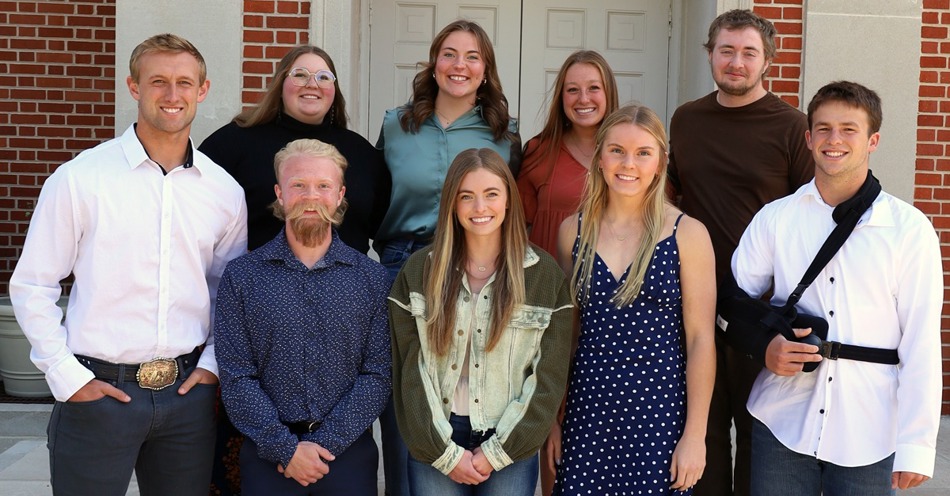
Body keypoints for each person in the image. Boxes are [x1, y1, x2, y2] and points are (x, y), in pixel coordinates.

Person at [8, 34, 248, 495]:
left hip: (187, 398)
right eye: (158, 81)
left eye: (184, 82)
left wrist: (212, 367)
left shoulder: (223, 191)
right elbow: (33, 284)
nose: (172, 95)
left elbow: (228, 293)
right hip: (97, 392)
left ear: (203, 89)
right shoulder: (80, 179)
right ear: (134, 87)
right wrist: (65, 375)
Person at [731, 81, 941, 496]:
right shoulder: (777, 218)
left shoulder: (909, 229)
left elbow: (921, 340)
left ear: (873, 140)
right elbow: (731, 302)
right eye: (824, 129)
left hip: (872, 427)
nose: (834, 140)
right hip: (782, 419)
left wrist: (917, 444)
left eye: (849, 129)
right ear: (808, 139)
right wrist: (764, 344)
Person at [666, 10, 813, 495]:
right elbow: (673, 200)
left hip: (763, 309)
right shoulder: (687, 119)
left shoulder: (793, 127)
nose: (736, 62)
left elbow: (810, 217)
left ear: (768, 60)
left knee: (757, 433)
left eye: (749, 52)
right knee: (701, 429)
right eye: (726, 50)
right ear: (710, 53)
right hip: (694, 301)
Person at [374, 20, 521, 495]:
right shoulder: (396, 125)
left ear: (485, 70)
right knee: (405, 393)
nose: (460, 65)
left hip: (478, 269)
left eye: (472, 57)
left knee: (473, 388)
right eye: (450, 54)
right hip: (404, 265)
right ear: (434, 65)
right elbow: (374, 195)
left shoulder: (505, 133)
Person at [389, 148, 572, 496]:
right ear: (452, 205)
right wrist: (443, 452)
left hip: (510, 439)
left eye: (491, 195)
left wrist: (498, 451)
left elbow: (548, 377)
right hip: (436, 437)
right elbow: (410, 372)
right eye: (467, 197)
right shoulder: (417, 272)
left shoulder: (543, 276)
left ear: (508, 201)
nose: (480, 208)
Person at [214, 139, 391, 496]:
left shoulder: (372, 279)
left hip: (348, 456)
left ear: (340, 195)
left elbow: (378, 374)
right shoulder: (242, 277)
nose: (311, 196)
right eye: (298, 185)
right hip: (267, 455)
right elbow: (235, 375)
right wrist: (286, 450)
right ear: (280, 193)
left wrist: (324, 445)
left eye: (323, 186)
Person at [556, 104, 716, 495]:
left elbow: (700, 341)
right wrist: (552, 421)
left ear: (661, 162)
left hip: (658, 415)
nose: (629, 164)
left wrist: (696, 435)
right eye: (617, 151)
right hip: (588, 412)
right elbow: (566, 337)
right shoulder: (571, 232)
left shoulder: (687, 234)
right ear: (599, 158)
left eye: (643, 153)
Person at [200, 45, 390, 254]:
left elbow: (387, 229)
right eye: (300, 75)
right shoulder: (234, 143)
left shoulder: (362, 154)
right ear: (280, 85)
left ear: (334, 91)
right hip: (258, 284)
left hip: (349, 285)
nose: (312, 84)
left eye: (324, 77)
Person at [517, 50, 619, 258]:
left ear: (608, 92)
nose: (583, 99)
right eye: (573, 90)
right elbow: (515, 227)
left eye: (594, 88)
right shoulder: (539, 152)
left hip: (612, 285)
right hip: (549, 284)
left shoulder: (629, 156)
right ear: (561, 97)